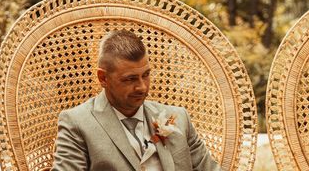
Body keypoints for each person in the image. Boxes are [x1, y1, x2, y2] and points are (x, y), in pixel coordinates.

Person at [52, 29, 220, 171]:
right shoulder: (77, 123)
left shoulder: (177, 118)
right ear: (103, 78)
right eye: (130, 79)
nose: (142, 87)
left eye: (146, 75)